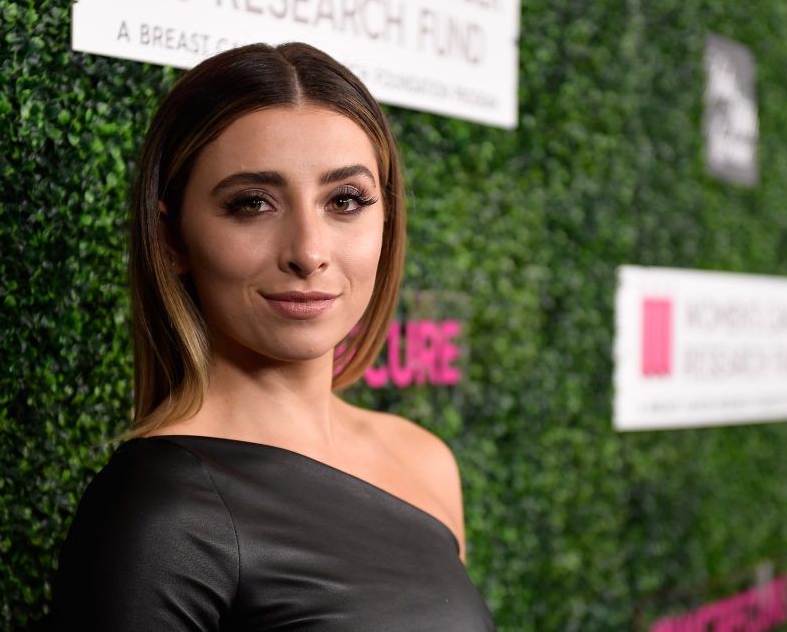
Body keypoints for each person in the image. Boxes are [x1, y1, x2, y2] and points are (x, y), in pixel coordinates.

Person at [49, 42, 496, 630]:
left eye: (345, 200)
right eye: (253, 203)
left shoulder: (424, 460)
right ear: (172, 238)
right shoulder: (160, 512)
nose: (308, 251)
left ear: (386, 216)